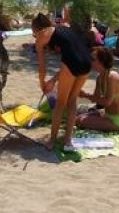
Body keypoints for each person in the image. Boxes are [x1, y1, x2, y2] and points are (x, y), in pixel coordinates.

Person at [31, 12, 92, 153]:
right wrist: (53, 80)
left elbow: (42, 67)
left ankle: (52, 140)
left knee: (60, 103)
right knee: (72, 101)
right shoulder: (64, 28)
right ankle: (68, 141)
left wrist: (42, 83)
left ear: (36, 29)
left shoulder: (41, 36)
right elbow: (74, 54)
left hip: (72, 63)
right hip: (87, 62)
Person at [77, 47, 119, 132]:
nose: (90, 61)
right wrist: (81, 93)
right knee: (79, 117)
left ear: (102, 61)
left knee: (80, 121)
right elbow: (96, 99)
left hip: (117, 121)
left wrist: (85, 95)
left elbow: (107, 102)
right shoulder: (99, 77)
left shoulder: (112, 76)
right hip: (107, 115)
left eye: (93, 59)